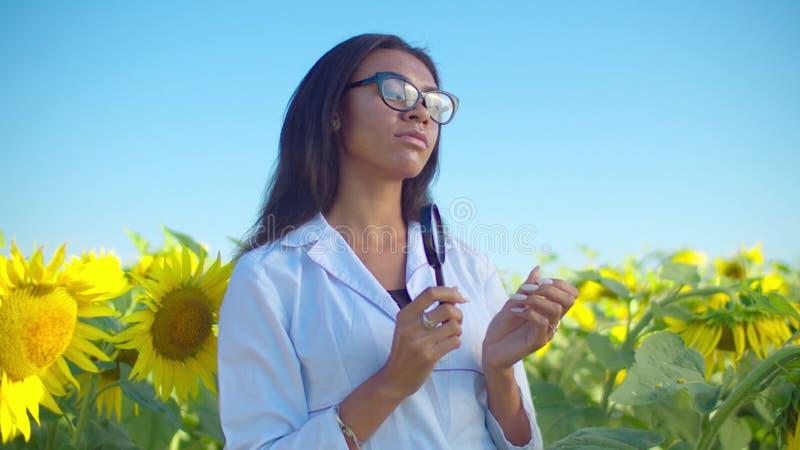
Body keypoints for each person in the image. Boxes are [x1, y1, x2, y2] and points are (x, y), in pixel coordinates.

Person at [218, 33, 577, 450]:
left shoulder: (472, 267)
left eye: (433, 102)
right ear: (333, 112)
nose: (421, 113)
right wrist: (389, 384)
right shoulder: (269, 278)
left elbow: (522, 444)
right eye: (396, 92)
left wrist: (498, 370)